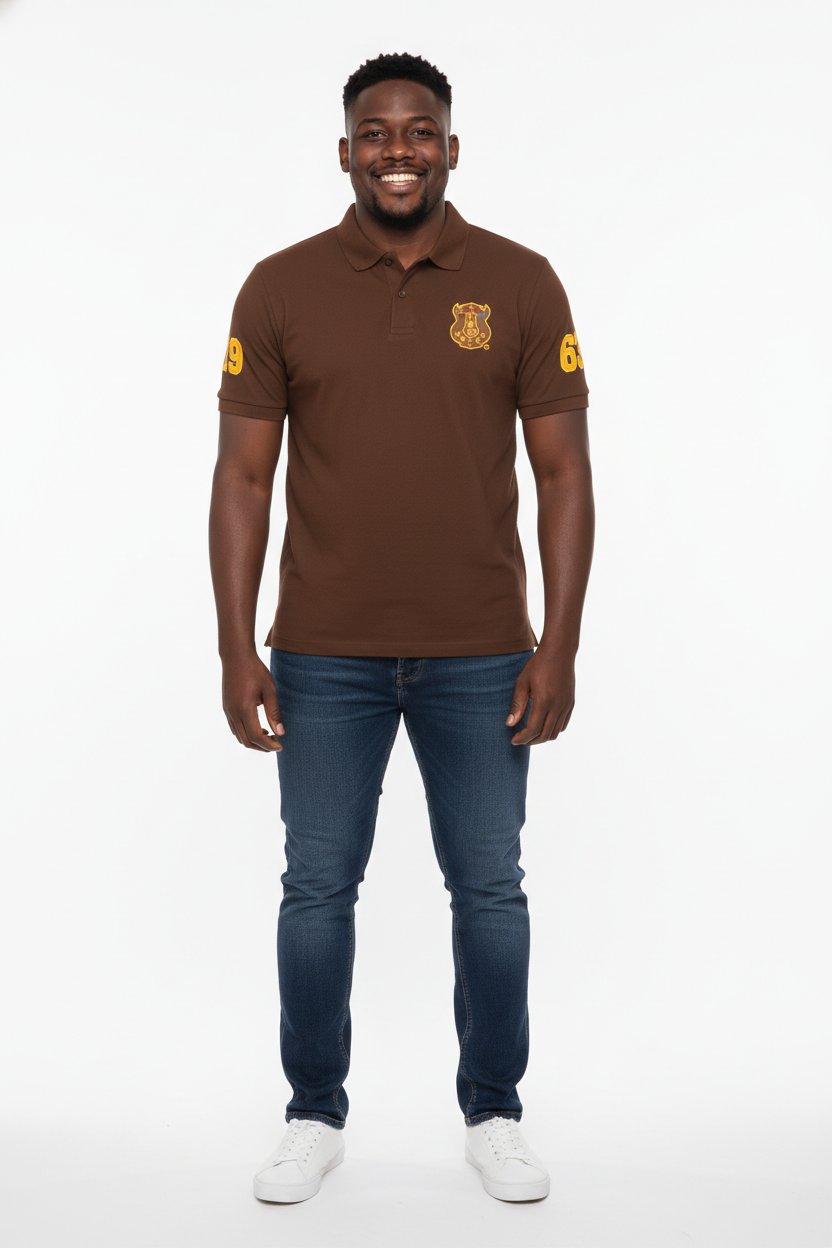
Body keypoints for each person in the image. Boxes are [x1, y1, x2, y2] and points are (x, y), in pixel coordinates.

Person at [209, 51, 594, 1205]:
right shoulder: (279, 288)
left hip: (483, 650)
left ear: (450, 148)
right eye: (375, 132)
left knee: (490, 889)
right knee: (316, 887)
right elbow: (242, 479)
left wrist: (560, 643)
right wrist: (234, 646)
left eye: (418, 130)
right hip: (321, 651)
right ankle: (311, 1113)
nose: (397, 150)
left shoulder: (521, 283)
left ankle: (495, 1111)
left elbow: (564, 474)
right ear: (344, 152)